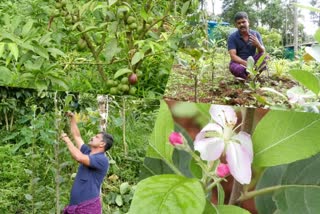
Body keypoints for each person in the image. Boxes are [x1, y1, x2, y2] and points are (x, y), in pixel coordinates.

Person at [60, 112, 113, 214]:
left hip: (87, 208)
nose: (93, 137)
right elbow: (77, 136)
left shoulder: (102, 160)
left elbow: (78, 157)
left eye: (96, 137)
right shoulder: (88, 152)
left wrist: (66, 140)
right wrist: (73, 119)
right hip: (75, 206)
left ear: (102, 144)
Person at [227, 11, 267, 79]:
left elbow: (262, 51)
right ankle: (248, 77)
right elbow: (233, 56)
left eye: (243, 22)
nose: (241, 24)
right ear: (236, 25)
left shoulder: (255, 34)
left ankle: (253, 76)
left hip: (252, 61)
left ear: (248, 22)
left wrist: (258, 45)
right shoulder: (232, 37)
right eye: (239, 23)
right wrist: (246, 63)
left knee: (265, 57)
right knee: (235, 68)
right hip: (238, 63)